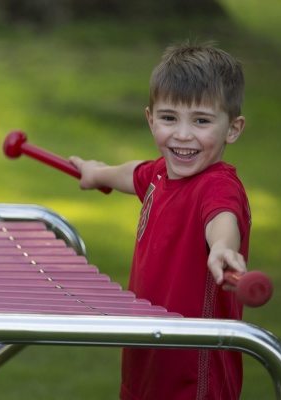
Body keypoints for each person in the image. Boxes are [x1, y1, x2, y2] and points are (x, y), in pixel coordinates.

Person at [69, 39, 251, 400]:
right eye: (169, 118)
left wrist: (222, 249)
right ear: (151, 119)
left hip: (193, 375)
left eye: (201, 121)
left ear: (233, 128)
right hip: (146, 359)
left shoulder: (217, 186)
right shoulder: (159, 175)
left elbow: (222, 218)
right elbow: (131, 173)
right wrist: (97, 173)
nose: (182, 135)